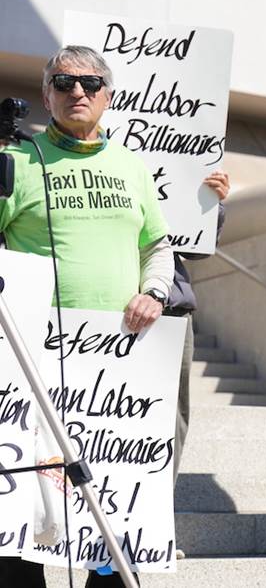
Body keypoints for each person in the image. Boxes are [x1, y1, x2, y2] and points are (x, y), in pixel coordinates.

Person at [0, 45, 174, 587]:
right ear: (47, 94)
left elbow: (158, 246)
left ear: (108, 95)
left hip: (116, 362)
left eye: (91, 84)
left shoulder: (132, 167)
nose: (79, 92)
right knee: (24, 508)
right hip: (30, 358)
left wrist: (155, 292)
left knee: (113, 511)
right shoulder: (17, 162)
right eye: (65, 82)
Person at [164, 171, 229, 485]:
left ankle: (157, 506)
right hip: (97, 307)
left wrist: (209, 204)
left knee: (170, 417)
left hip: (169, 309)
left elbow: (194, 249)